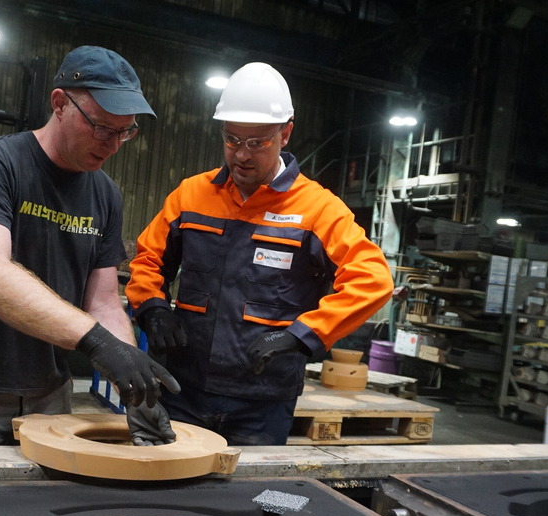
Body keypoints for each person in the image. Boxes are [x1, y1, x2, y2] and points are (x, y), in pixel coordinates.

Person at [0, 46, 179, 446]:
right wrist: (97, 343)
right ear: (60, 103)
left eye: (124, 132)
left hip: (51, 393)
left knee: (44, 507)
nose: (112, 145)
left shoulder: (106, 195)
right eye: (101, 127)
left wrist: (133, 383)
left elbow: (104, 302)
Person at [125, 62, 393, 446]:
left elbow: (373, 280)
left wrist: (303, 336)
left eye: (257, 142)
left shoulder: (317, 209)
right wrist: (151, 305)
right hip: (185, 389)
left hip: (263, 403)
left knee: (267, 500)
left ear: (286, 133)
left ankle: (279, 510)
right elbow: (148, 258)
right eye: (232, 140)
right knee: (175, 494)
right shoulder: (191, 195)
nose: (242, 156)